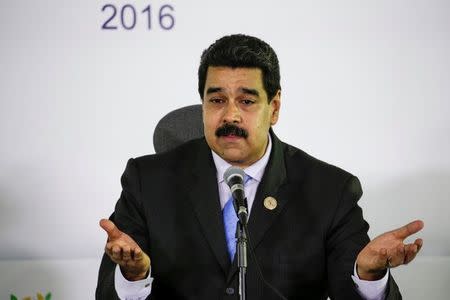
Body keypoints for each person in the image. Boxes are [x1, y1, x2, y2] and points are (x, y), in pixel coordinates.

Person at [96, 34, 424, 300]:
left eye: (247, 101)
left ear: (275, 107)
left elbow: (348, 292)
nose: (230, 116)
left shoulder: (330, 191)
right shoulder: (148, 181)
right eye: (216, 100)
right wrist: (133, 277)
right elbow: (107, 294)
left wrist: (369, 277)